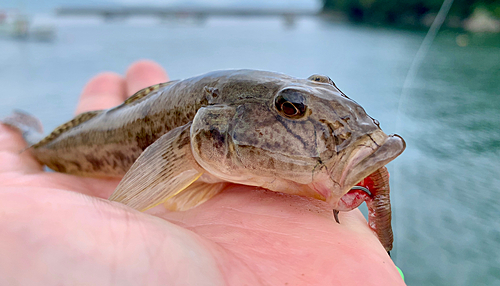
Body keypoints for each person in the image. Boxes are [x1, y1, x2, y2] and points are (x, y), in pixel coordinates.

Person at [0, 60, 405, 285]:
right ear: (210, 130)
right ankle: (29, 138)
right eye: (291, 108)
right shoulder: (195, 139)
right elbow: (127, 203)